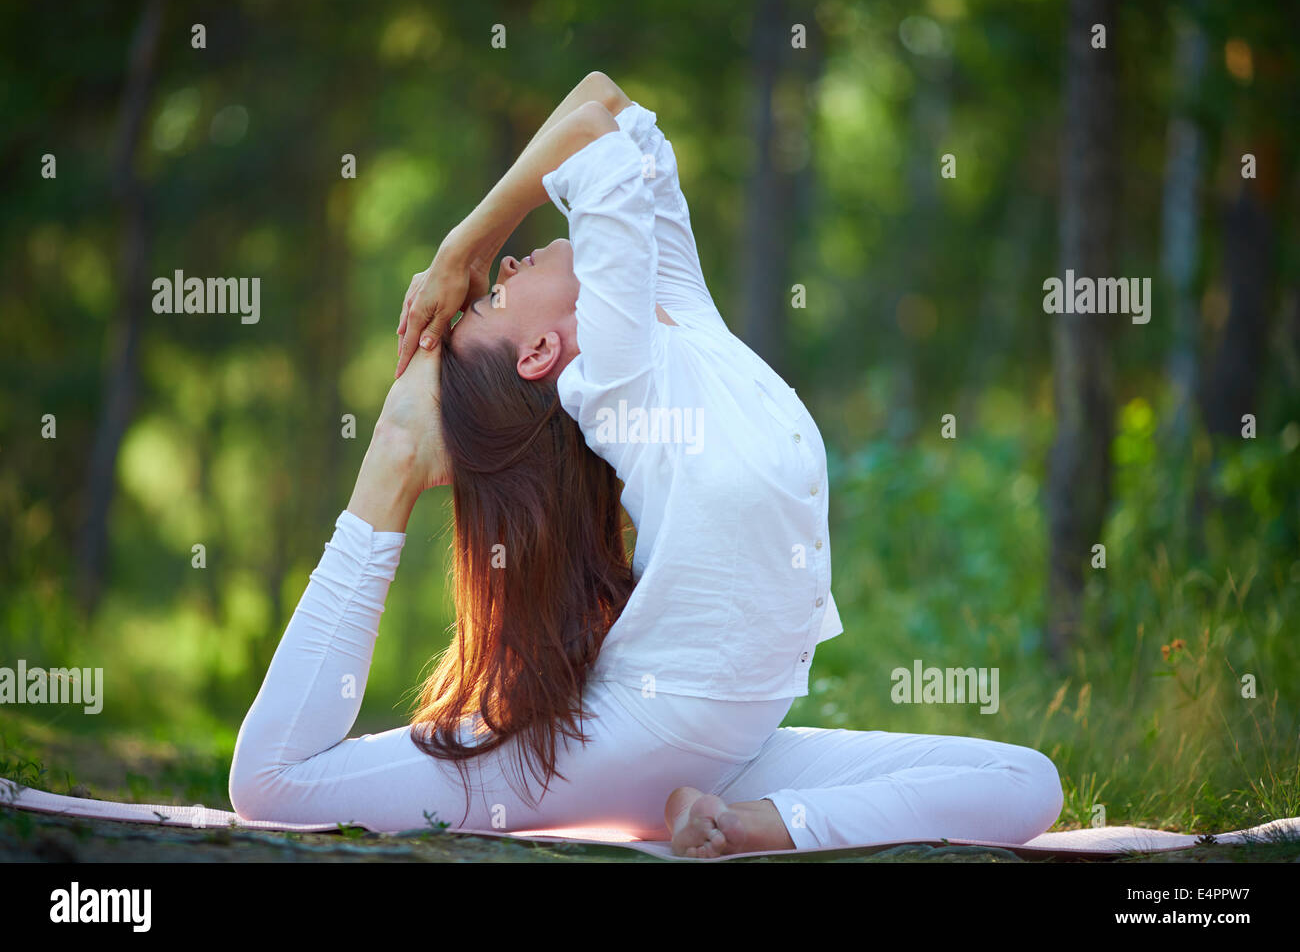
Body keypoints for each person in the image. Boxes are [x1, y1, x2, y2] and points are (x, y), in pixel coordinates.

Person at [229, 73, 1063, 858]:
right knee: (276, 785)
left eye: (489, 279)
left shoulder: (676, 310)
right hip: (634, 735)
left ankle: (735, 825)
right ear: (544, 352)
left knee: (1026, 783)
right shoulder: (618, 367)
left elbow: (603, 99)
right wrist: (462, 247)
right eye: (493, 298)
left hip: (723, 746)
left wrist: (463, 254)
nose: (505, 265)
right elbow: (589, 134)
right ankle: (394, 463)